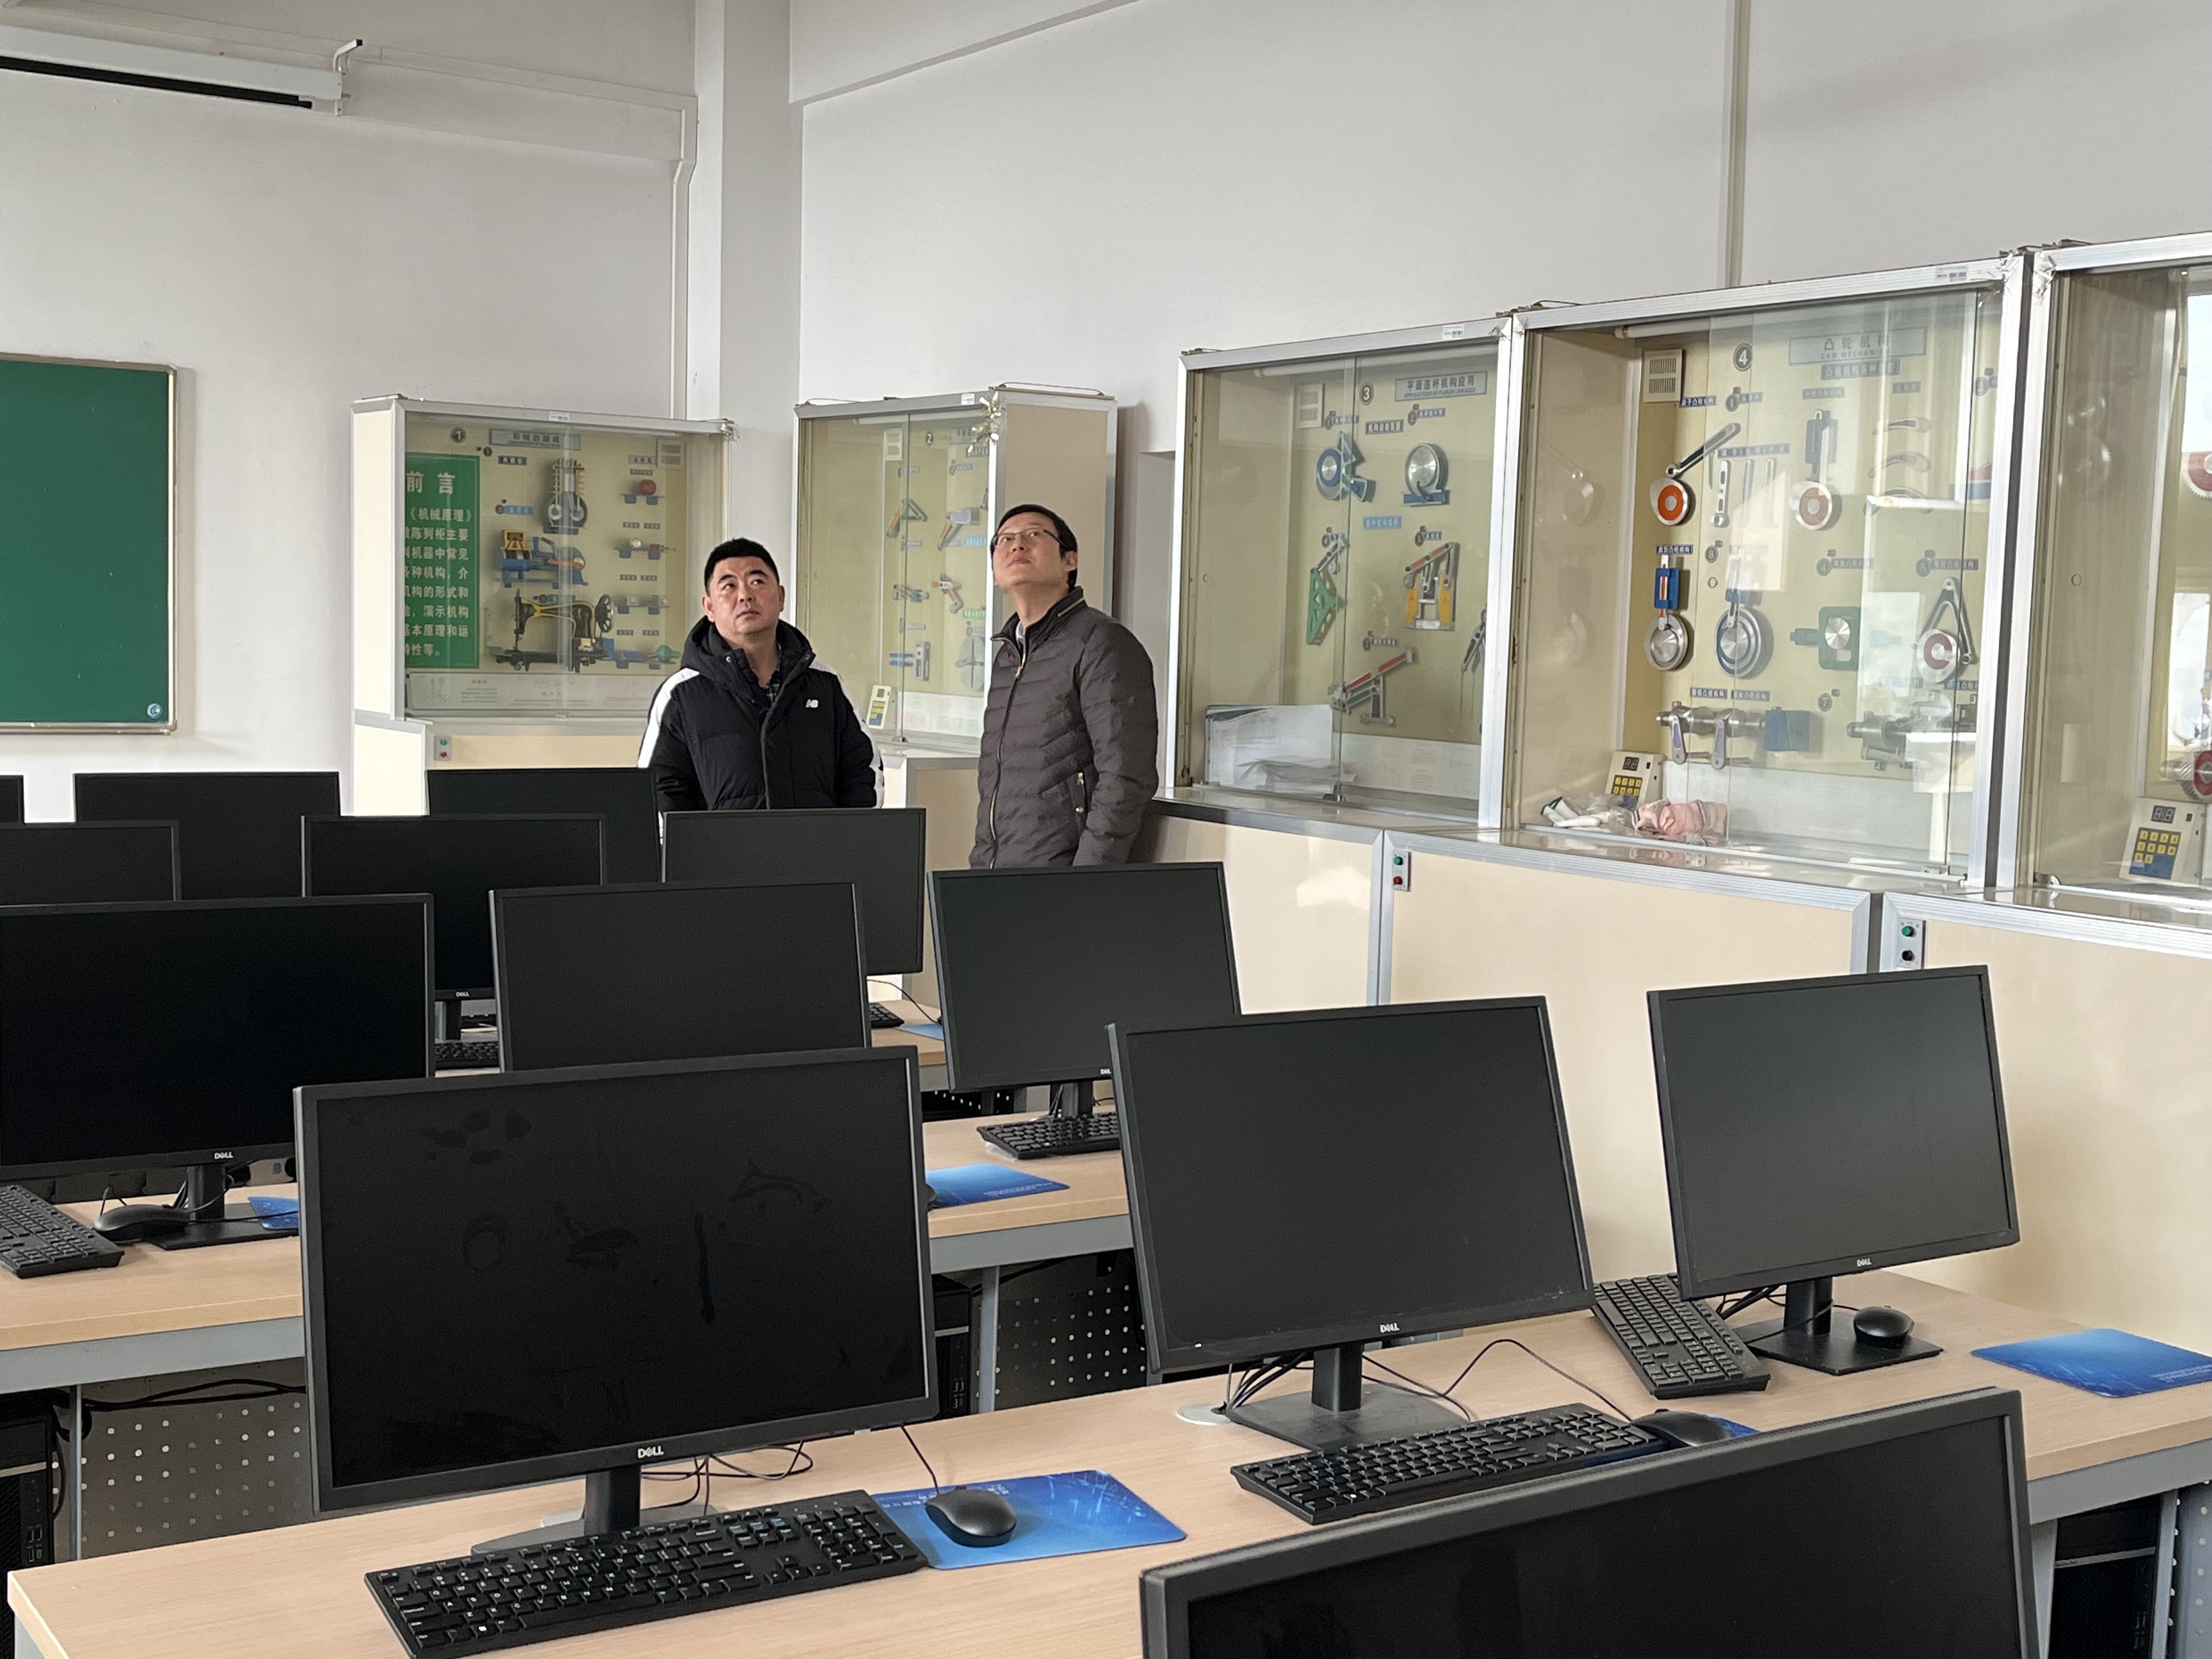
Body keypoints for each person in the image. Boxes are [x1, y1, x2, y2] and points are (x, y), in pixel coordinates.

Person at [970, 503, 1158, 867]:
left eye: (1034, 534)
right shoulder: (1008, 655)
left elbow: (1125, 776)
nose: (1017, 545)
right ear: (994, 572)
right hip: (997, 872)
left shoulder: (1102, 643)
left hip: (1061, 876)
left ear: (1070, 560)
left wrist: (1083, 879)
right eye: (1004, 540)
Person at [639, 538, 877, 812]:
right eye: (729, 586)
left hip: (816, 841)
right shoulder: (682, 694)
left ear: (781, 597)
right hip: (719, 843)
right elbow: (658, 789)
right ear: (709, 608)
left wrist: (845, 835)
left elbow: (863, 771)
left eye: (757, 582)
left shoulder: (825, 683)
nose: (745, 595)